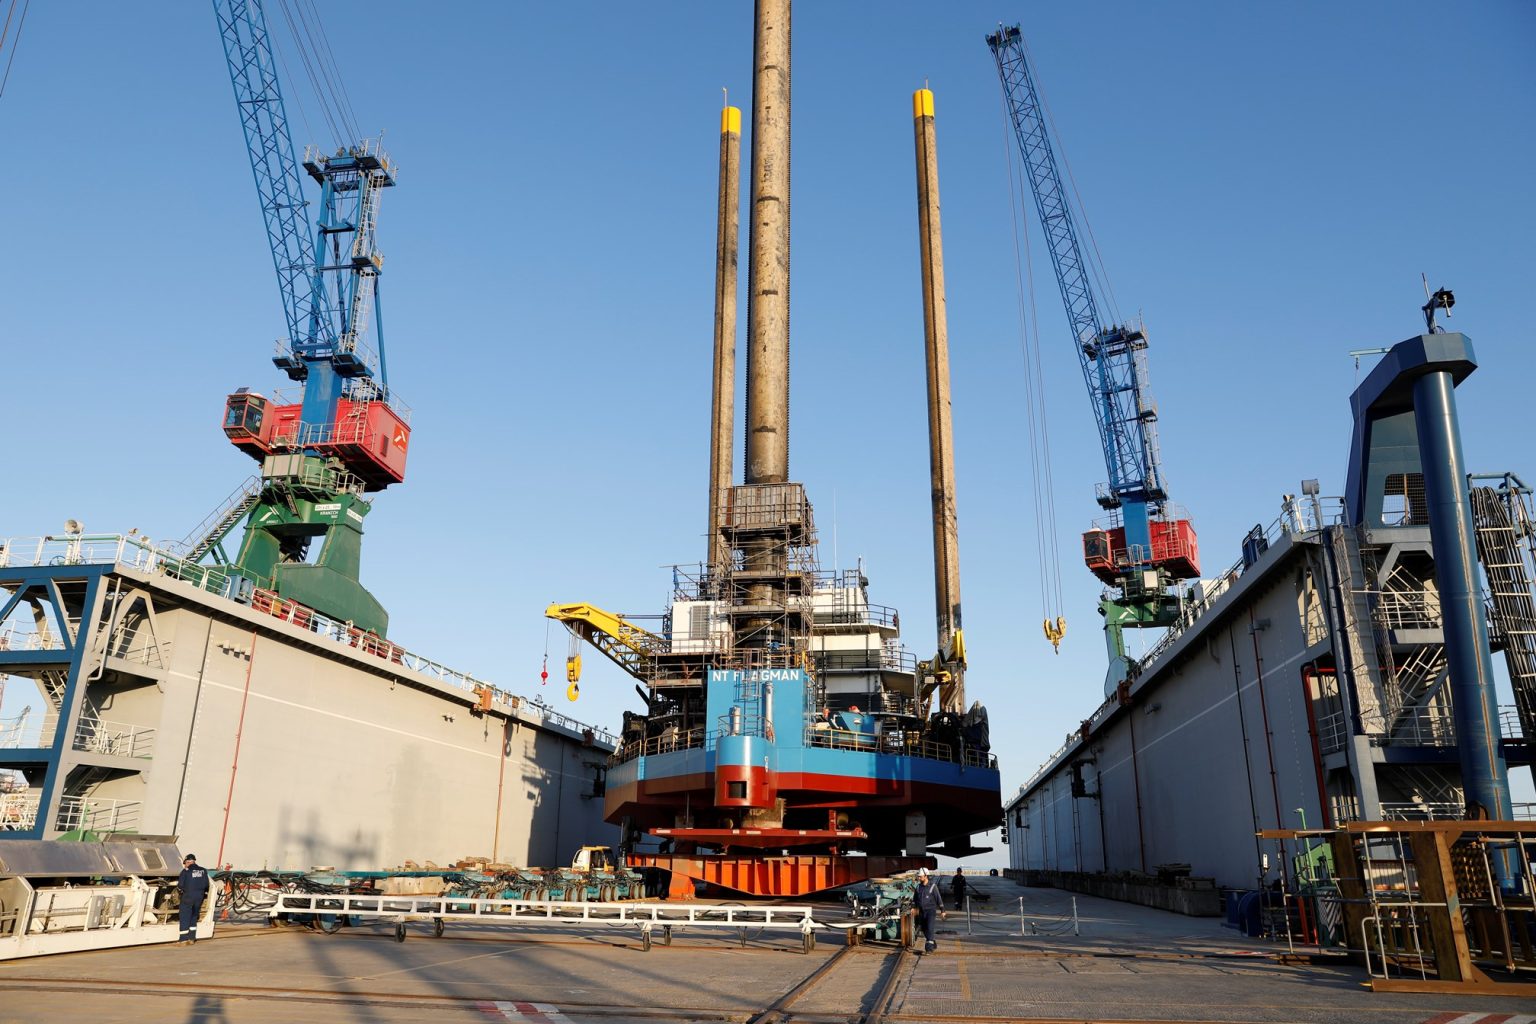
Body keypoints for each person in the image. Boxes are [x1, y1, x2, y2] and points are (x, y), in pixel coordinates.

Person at [178, 853, 210, 945]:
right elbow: (206, 885)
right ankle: (192, 938)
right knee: (194, 916)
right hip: (199, 897)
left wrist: (181, 892)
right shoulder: (203, 870)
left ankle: (183, 939)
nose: (185, 865)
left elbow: (180, 885)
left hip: (188, 896)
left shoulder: (186, 871)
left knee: (184, 916)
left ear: (188, 862)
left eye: (185, 863)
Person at [913, 867, 946, 953]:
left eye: (920, 876)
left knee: (930, 928)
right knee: (924, 929)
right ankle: (932, 942)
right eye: (919, 876)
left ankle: (928, 948)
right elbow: (915, 899)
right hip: (921, 912)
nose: (919, 878)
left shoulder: (933, 886)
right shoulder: (918, 887)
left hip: (930, 911)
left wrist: (942, 910)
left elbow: (939, 899)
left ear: (926, 876)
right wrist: (914, 908)